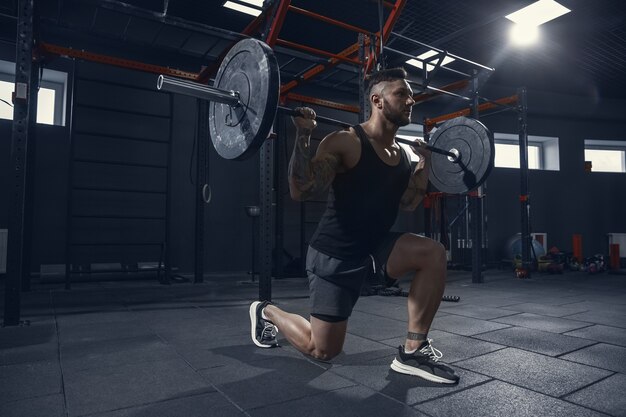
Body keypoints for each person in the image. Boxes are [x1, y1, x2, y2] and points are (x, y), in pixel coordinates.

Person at [249, 67, 459, 384]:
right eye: (401, 93)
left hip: (375, 249)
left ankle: (413, 351)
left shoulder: (401, 153)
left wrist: (424, 162)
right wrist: (304, 134)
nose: (410, 100)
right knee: (322, 351)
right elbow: (301, 190)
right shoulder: (346, 142)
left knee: (433, 253)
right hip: (335, 256)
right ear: (377, 100)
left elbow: (408, 202)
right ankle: (267, 310)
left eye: (411, 94)